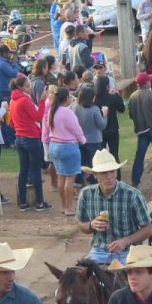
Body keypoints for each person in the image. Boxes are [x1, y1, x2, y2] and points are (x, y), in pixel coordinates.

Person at [75, 149, 152, 272]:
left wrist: (125, 241)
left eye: (112, 172)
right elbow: (81, 225)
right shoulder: (86, 194)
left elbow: (148, 229)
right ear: (95, 175)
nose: (109, 177)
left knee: (128, 286)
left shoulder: (133, 195)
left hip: (128, 252)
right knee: (76, 283)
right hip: (99, 251)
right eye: (104, 173)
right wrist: (91, 225)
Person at [8, 74, 52, 211]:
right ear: (20, 87)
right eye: (27, 86)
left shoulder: (13, 100)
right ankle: (39, 203)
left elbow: (11, 122)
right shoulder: (24, 100)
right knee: (35, 171)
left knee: (23, 170)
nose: (30, 89)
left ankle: (23, 203)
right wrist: (42, 101)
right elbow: (38, 116)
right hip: (31, 138)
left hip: (19, 138)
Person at [42, 86, 86, 216]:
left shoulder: (52, 111)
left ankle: (63, 205)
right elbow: (76, 129)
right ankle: (70, 207)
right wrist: (83, 140)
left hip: (54, 146)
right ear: (66, 98)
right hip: (68, 147)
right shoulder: (67, 112)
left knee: (61, 177)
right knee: (70, 178)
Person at [73, 85, 107, 185]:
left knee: (81, 164)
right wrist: (105, 115)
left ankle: (78, 184)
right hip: (94, 141)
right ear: (91, 98)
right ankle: (93, 184)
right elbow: (102, 125)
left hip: (80, 140)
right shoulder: (95, 110)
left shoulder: (75, 107)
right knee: (94, 164)